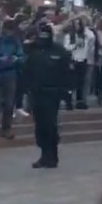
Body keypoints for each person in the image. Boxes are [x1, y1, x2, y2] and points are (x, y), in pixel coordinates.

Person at [25, 22, 73, 169]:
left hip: (53, 93)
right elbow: (27, 72)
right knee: (40, 127)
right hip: (36, 93)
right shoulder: (33, 50)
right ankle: (45, 154)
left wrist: (67, 93)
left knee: (50, 125)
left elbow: (67, 74)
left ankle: (52, 155)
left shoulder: (60, 51)